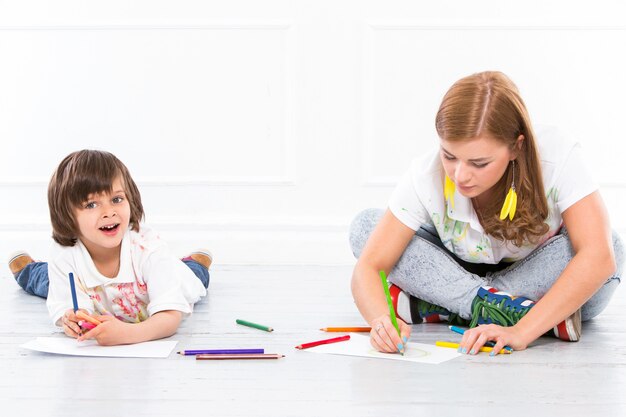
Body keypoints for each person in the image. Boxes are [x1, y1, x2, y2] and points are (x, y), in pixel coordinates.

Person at [349, 71, 623, 356]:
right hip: (458, 269)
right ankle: (494, 307)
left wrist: (521, 331)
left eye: (479, 163)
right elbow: (369, 266)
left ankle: (442, 306)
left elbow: (599, 256)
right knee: (365, 227)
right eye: (449, 156)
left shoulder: (556, 155)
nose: (460, 175)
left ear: (517, 147)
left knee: (609, 249)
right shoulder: (426, 173)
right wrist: (381, 321)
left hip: (531, 274)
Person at [8, 150, 212, 346]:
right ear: (66, 215)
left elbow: (170, 318)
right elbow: (68, 309)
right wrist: (70, 319)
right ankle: (29, 271)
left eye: (116, 199)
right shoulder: (64, 253)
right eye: (91, 205)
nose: (109, 212)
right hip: (93, 292)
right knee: (47, 282)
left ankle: (195, 262)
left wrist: (128, 334)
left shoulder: (149, 249)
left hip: (175, 277)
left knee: (194, 276)